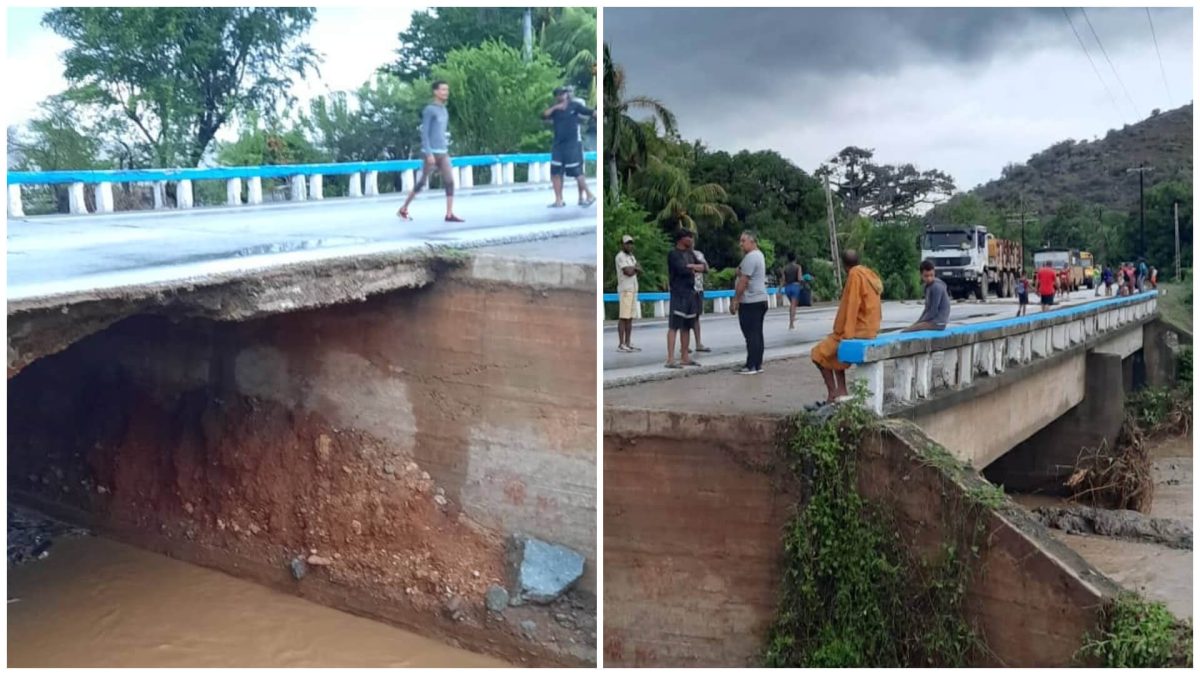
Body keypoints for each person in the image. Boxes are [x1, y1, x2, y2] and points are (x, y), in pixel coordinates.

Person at [810, 249, 883, 402]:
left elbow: (852, 305)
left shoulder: (854, 275)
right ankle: (841, 390)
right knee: (834, 352)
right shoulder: (868, 273)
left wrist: (846, 335)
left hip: (859, 330)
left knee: (817, 354)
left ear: (843, 265)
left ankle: (832, 394)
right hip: (870, 328)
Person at [397, 81, 463, 223]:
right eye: (443, 89)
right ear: (435, 92)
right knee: (422, 182)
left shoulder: (444, 110)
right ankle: (403, 208)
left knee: (450, 181)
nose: (446, 92)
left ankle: (449, 214)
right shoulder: (429, 110)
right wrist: (428, 153)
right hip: (431, 152)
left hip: (443, 152)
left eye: (447, 89)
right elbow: (425, 133)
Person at [542, 86, 596, 208]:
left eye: (563, 93)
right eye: (559, 94)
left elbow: (588, 112)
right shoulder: (554, 109)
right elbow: (544, 115)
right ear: (556, 96)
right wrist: (556, 107)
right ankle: (558, 200)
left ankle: (589, 195)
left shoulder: (575, 106)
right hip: (558, 144)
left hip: (572, 144)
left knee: (576, 171)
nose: (561, 95)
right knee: (555, 172)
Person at [665, 229, 705, 369]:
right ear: (682, 239)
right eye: (689, 237)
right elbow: (682, 269)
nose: (691, 240)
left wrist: (692, 266)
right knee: (674, 326)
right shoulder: (673, 254)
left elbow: (704, 267)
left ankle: (685, 357)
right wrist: (693, 268)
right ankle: (670, 359)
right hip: (678, 293)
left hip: (690, 293)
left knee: (687, 326)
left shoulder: (690, 254)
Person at [731, 230, 769, 375]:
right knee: (757, 333)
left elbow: (743, 281)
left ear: (752, 241)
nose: (740, 244)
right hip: (760, 299)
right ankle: (757, 363)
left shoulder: (751, 257)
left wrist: (735, 300)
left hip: (751, 301)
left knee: (751, 334)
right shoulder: (758, 255)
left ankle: (751, 365)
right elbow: (739, 271)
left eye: (743, 241)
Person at [903, 260, 951, 331]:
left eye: (931, 275)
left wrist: (919, 323)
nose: (929, 278)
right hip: (931, 320)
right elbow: (927, 308)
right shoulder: (927, 287)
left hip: (939, 322)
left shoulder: (936, 287)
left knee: (907, 331)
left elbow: (933, 311)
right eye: (926, 276)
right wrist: (918, 322)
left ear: (934, 273)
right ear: (921, 275)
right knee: (910, 328)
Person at [615, 235, 642, 353]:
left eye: (631, 243)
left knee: (630, 317)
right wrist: (635, 269)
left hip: (633, 289)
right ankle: (621, 344)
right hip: (625, 289)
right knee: (623, 317)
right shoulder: (620, 257)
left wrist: (634, 269)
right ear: (622, 244)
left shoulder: (631, 257)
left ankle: (628, 342)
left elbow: (639, 270)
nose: (630, 246)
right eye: (627, 243)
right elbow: (628, 272)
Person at [688, 238, 711, 353]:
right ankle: (685, 345)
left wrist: (693, 267)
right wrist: (698, 267)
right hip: (687, 290)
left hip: (698, 288)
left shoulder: (698, 254)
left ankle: (698, 343)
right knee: (686, 317)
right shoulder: (681, 255)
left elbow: (706, 268)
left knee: (696, 316)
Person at [781, 254, 803, 330]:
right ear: (795, 259)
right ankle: (791, 324)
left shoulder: (784, 268)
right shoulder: (798, 267)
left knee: (792, 305)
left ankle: (792, 318)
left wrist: (779, 289)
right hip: (795, 287)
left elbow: (783, 280)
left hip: (787, 288)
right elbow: (799, 278)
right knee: (793, 305)